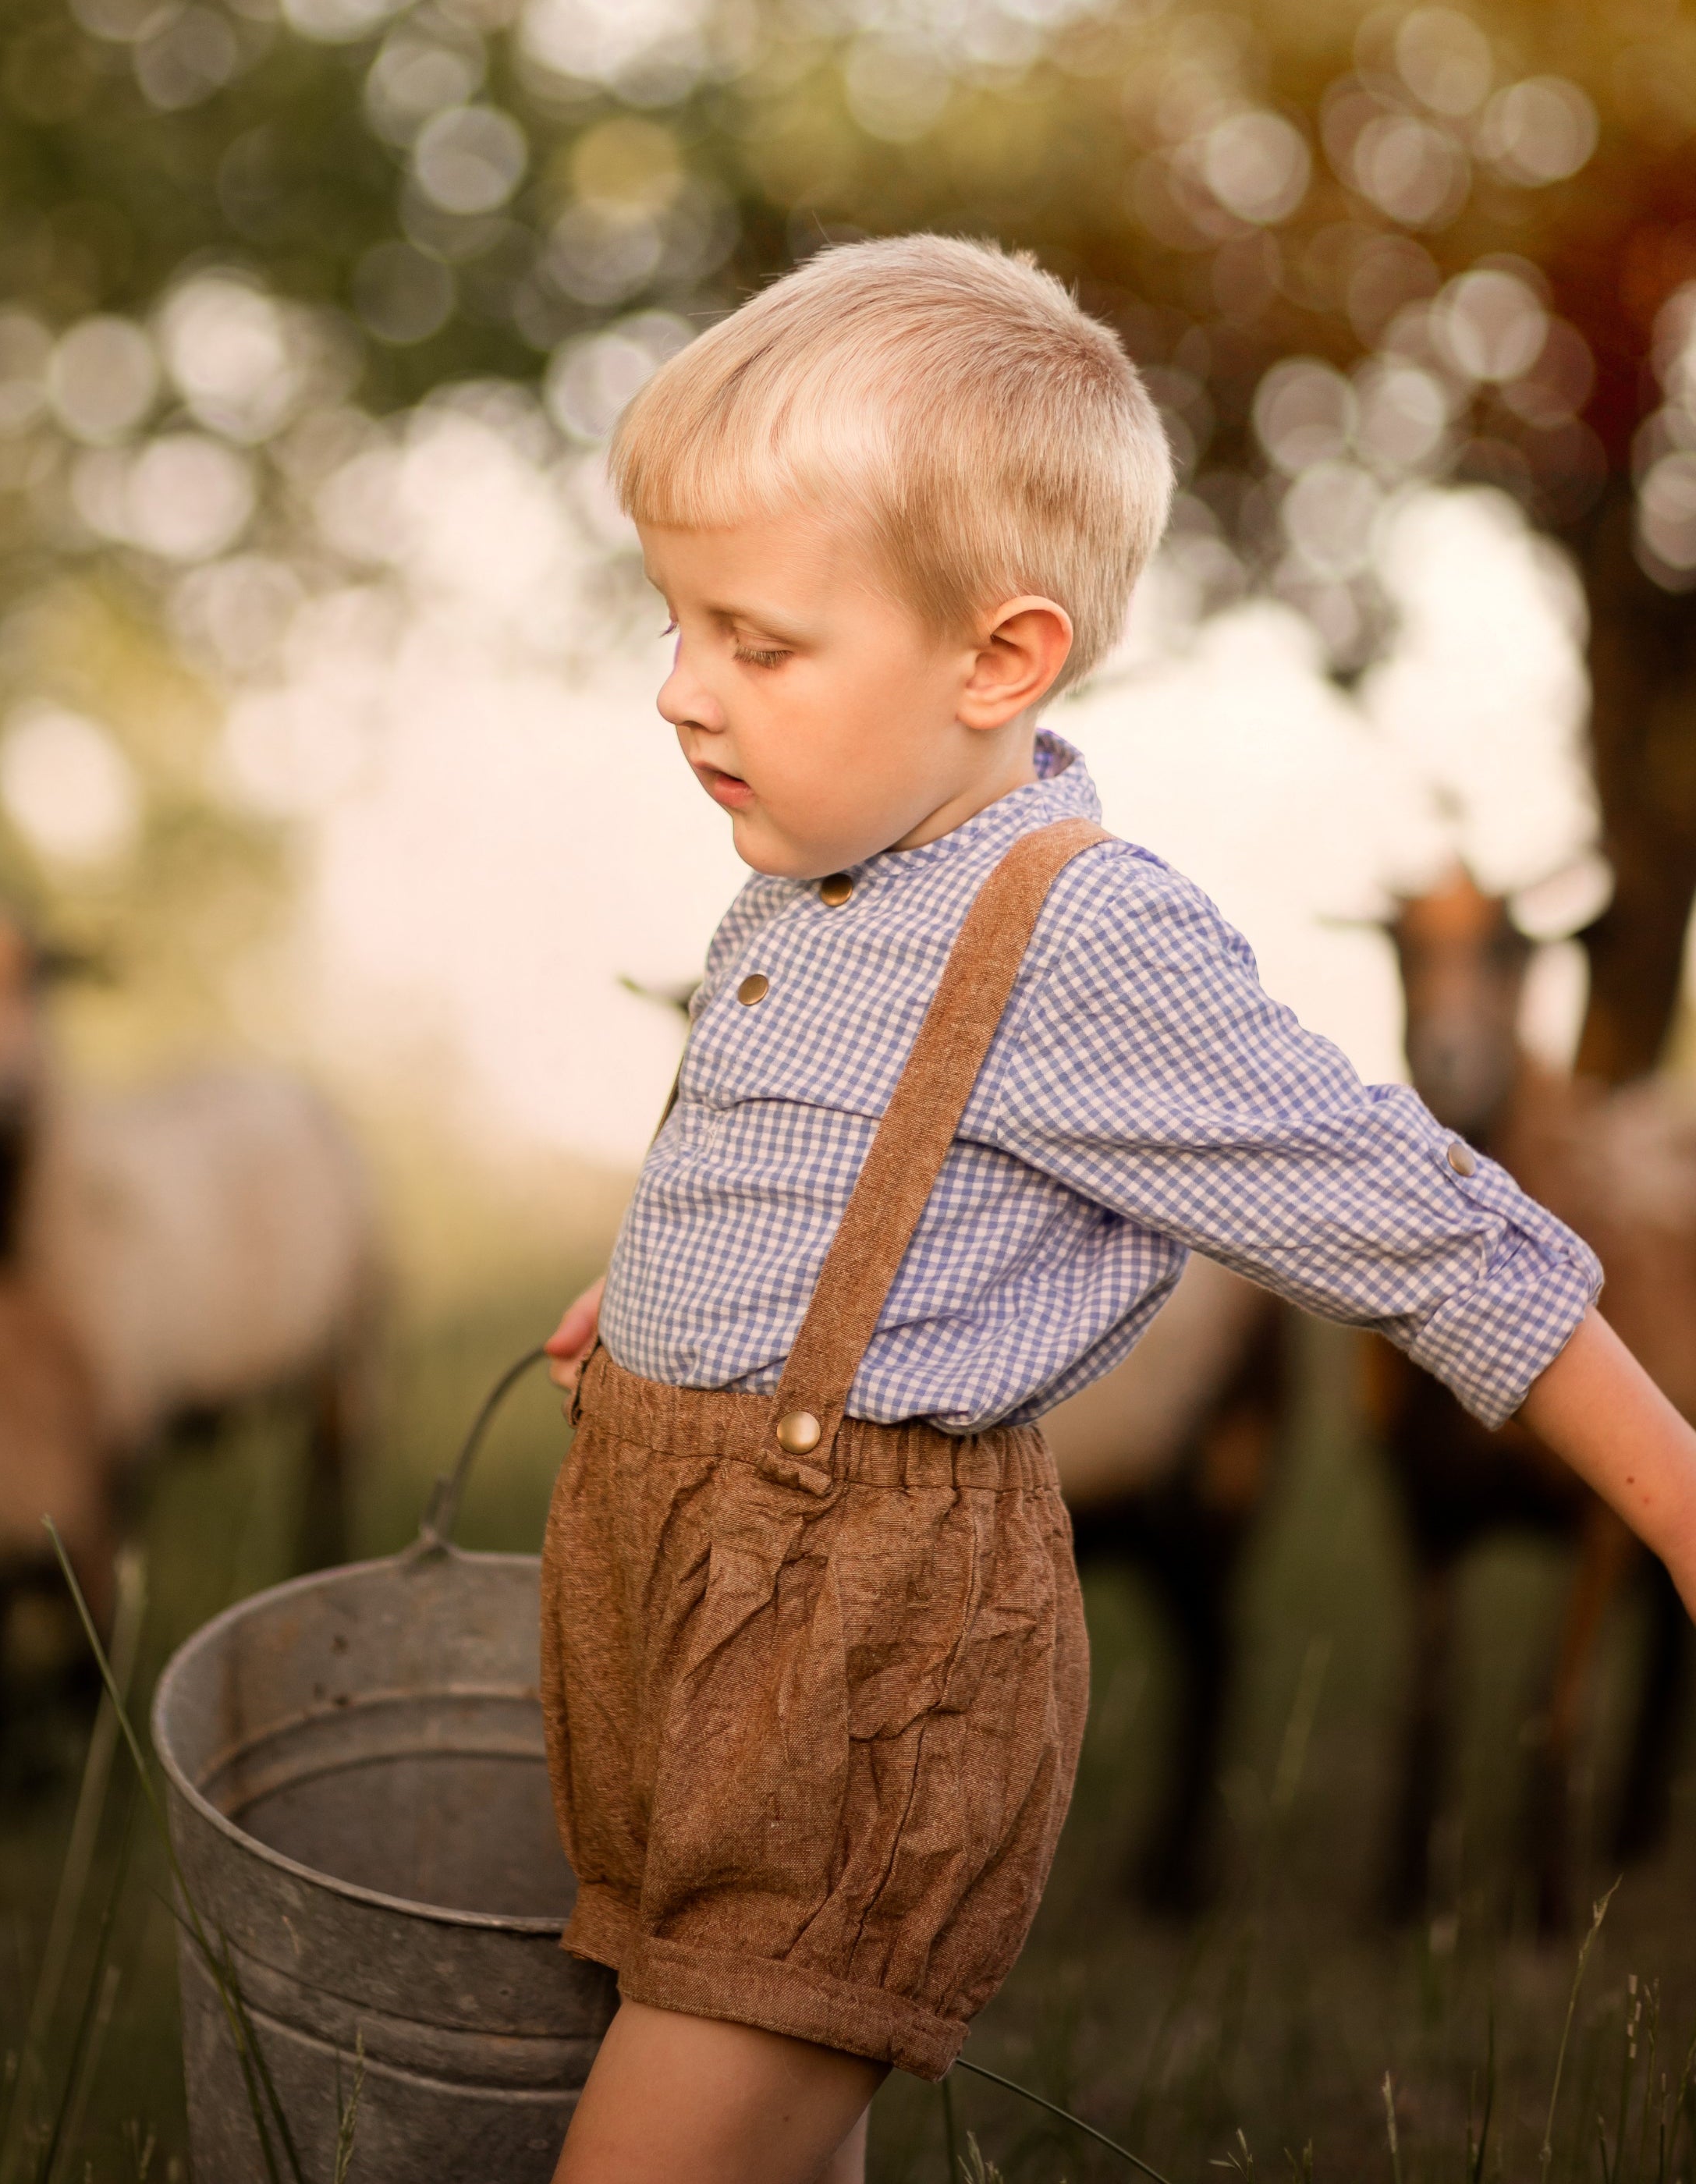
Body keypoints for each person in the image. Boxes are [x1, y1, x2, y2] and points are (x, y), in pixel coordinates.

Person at [530, 233, 1696, 2184]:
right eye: (671, 621)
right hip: (673, 1620)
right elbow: (829, 1147)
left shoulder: (1075, 931)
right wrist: (659, 1289)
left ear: (998, 657)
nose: (675, 689)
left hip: (855, 1658)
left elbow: (1415, 1215)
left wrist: (1666, 1487)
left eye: (752, 639)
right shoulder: (811, 862)